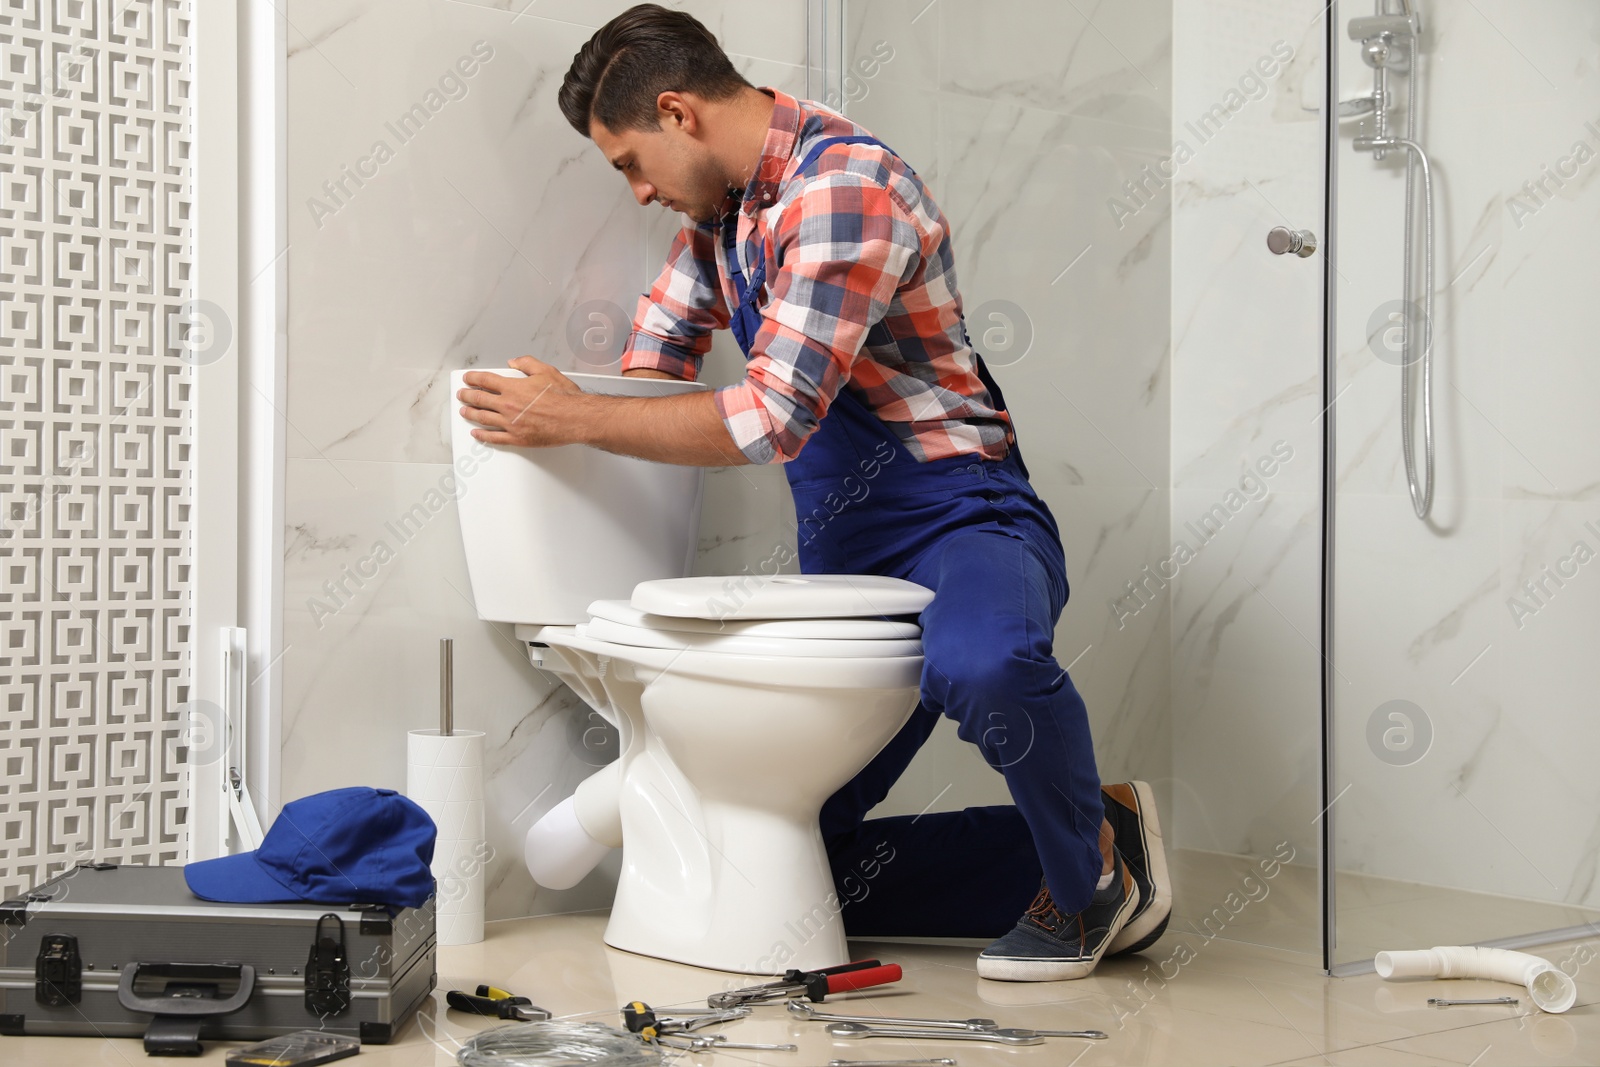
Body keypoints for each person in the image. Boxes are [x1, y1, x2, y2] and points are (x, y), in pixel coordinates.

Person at [456, 3, 1171, 981]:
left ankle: (1082, 873)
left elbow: (763, 422)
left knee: (982, 659)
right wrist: (550, 426)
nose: (631, 192)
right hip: (846, 556)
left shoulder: (844, 191)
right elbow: (654, 366)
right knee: (778, 851)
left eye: (628, 161)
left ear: (678, 112)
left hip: (960, 514)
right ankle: (1089, 829)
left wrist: (571, 417)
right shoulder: (722, 215)